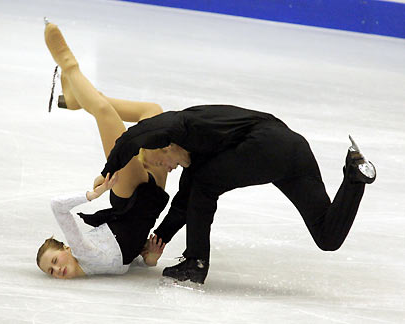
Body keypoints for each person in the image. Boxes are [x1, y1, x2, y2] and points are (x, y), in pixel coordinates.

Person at [98, 105, 377, 284]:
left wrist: (110, 168)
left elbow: (135, 135)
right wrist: (159, 238)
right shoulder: (197, 164)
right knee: (328, 237)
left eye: (160, 162)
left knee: (205, 186)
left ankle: (196, 262)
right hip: (294, 149)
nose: (166, 169)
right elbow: (184, 205)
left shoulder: (180, 126)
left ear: (166, 146)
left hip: (268, 143)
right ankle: (355, 176)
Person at [36, 20, 172, 278]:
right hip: (150, 198)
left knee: (103, 112)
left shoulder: (82, 249)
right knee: (152, 112)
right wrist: (150, 260)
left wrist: (91, 195)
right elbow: (132, 261)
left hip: (128, 193)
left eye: (53, 260)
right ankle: (77, 99)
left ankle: (69, 65)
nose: (57, 269)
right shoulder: (100, 267)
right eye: (51, 271)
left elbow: (57, 207)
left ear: (66, 248)